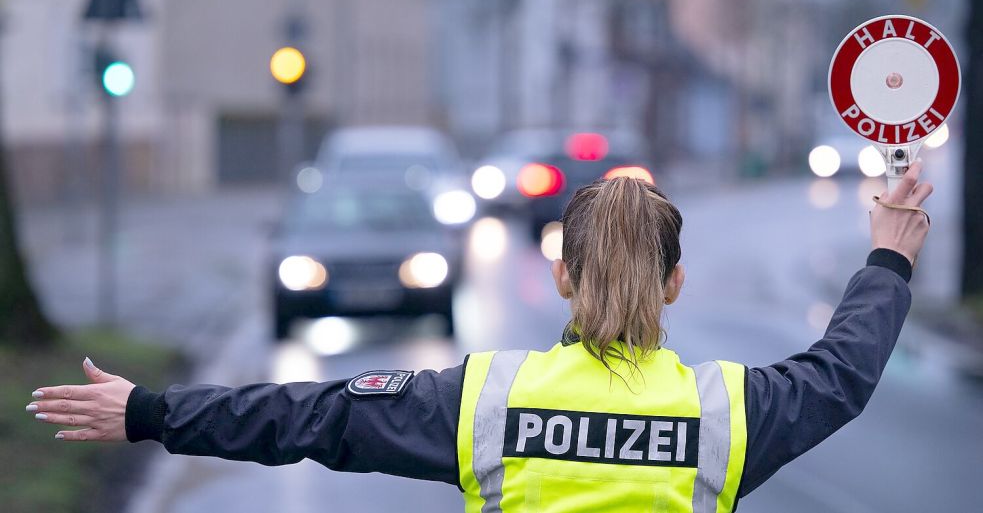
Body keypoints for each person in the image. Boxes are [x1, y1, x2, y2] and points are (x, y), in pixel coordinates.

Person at [25, 163, 932, 512]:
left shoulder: (485, 400)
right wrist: (885, 257)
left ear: (562, 276)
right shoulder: (726, 414)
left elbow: (307, 416)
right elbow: (838, 374)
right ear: (675, 284)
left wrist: (149, 412)